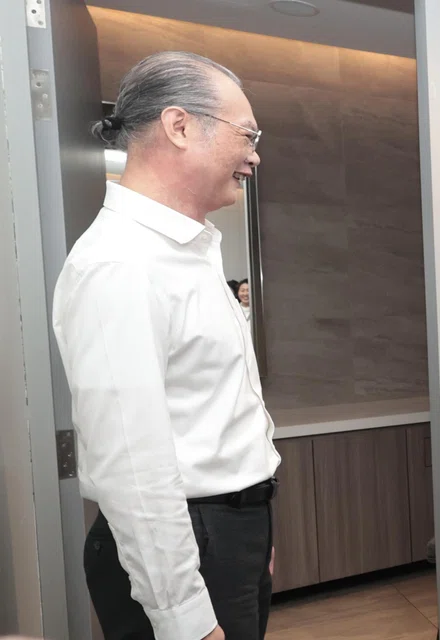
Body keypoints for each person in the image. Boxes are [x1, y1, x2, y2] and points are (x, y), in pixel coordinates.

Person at [52, 51, 280, 640]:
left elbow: (219, 406)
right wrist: (185, 618)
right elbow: (134, 468)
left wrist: (252, 536)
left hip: (224, 536)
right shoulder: (120, 264)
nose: (255, 154)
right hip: (182, 549)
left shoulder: (192, 250)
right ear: (179, 127)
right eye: (247, 135)